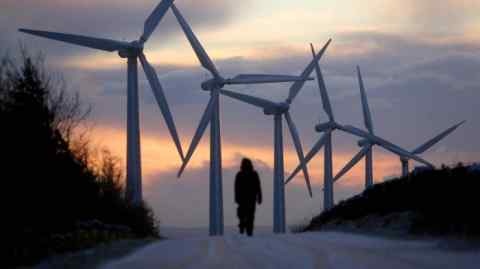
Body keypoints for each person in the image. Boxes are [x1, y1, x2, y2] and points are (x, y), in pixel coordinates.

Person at [235, 158, 262, 236]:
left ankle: (243, 227)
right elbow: (258, 187)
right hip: (251, 199)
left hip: (242, 199)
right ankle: (249, 230)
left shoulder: (239, 174)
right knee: (250, 215)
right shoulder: (254, 174)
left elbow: (236, 187)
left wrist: (236, 198)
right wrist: (259, 197)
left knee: (242, 214)